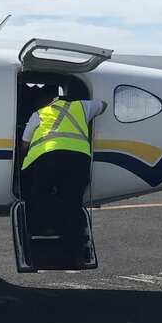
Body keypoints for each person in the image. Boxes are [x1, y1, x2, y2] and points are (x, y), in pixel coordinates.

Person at [19, 88, 107, 267]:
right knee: (72, 204)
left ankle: (44, 225)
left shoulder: (40, 113)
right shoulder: (82, 107)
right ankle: (74, 252)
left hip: (47, 157)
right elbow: (103, 105)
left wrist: (25, 158)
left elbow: (24, 143)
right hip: (79, 160)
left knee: (38, 193)